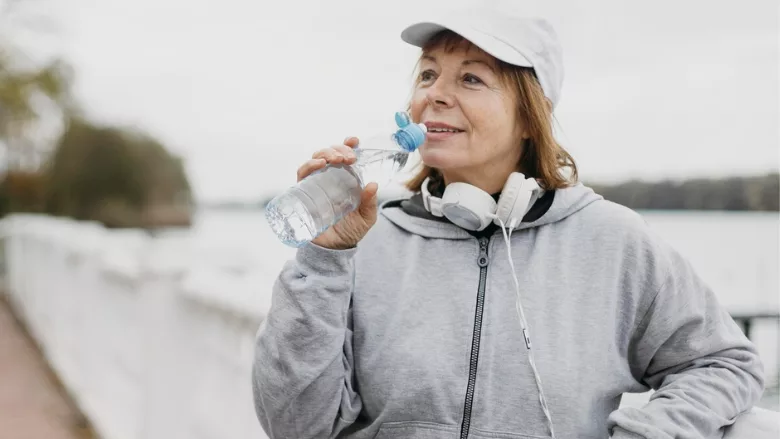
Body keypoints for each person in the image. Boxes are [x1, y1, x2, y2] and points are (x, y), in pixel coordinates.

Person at [252, 7, 765, 439]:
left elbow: (724, 364)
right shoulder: (366, 241)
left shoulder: (614, 241)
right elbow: (296, 426)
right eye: (428, 74)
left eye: (471, 78)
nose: (434, 93)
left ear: (529, 116)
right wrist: (323, 257)